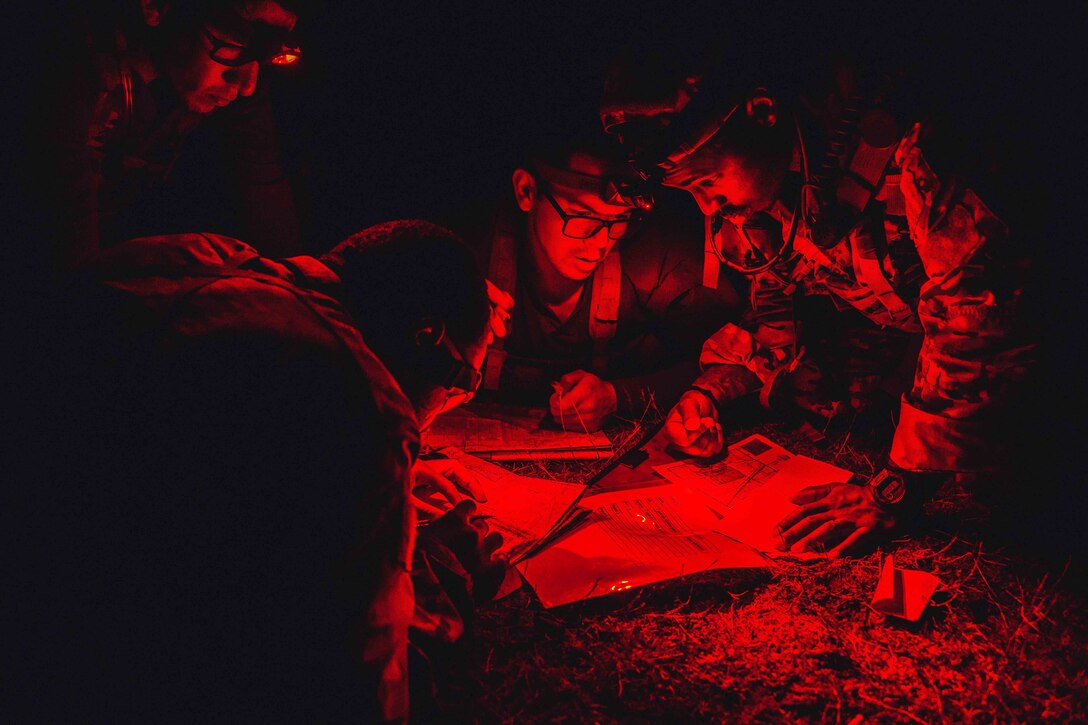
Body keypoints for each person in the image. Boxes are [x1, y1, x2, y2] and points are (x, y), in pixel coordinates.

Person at [14, 220, 505, 720]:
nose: (451, 404)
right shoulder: (360, 405)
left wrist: (365, 488)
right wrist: (441, 568)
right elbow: (354, 685)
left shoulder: (177, 255)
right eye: (461, 383)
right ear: (426, 336)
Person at [600, 46, 1033, 557]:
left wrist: (894, 491)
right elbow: (771, 334)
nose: (708, 206)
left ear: (763, 113)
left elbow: (980, 322)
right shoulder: (769, 204)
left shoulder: (923, 151)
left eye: (707, 180)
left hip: (1045, 373)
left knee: (1014, 497)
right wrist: (711, 395)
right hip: (900, 368)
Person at [449, 133, 742, 432]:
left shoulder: (654, 259)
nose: (601, 242)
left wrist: (618, 397)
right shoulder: (464, 254)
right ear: (527, 191)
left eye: (618, 219)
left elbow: (727, 359)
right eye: (583, 216)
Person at [21, 0, 305, 282]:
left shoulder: (228, 77)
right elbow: (68, 265)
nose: (247, 86)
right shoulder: (63, 65)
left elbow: (263, 179)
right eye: (238, 43)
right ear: (155, 7)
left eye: (270, 50)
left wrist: (297, 292)